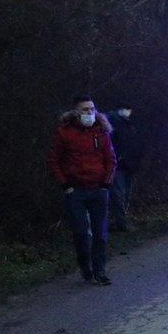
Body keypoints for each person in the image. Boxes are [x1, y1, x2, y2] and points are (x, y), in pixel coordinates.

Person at [47, 95, 116, 285]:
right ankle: (85, 266)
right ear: (76, 112)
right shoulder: (64, 133)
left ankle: (99, 270)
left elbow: (111, 159)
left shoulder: (101, 132)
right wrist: (65, 185)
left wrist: (106, 184)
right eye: (85, 109)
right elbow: (54, 161)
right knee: (80, 232)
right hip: (75, 191)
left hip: (98, 189)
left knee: (100, 233)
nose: (89, 113)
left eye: (92, 109)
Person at [108, 103, 140, 232]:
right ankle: (121, 223)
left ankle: (121, 221)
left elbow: (134, 144)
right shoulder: (113, 121)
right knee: (118, 195)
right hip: (118, 165)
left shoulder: (128, 123)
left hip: (129, 165)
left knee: (125, 194)